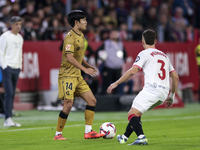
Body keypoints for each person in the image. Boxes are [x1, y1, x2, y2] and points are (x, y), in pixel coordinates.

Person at [107, 29, 179, 145]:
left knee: (132, 114)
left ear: (142, 41)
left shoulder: (144, 53)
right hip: (163, 93)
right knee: (137, 112)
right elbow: (175, 77)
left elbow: (132, 71)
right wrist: (172, 96)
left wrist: (116, 83)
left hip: (152, 89)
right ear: (155, 41)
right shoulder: (164, 56)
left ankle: (141, 137)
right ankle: (124, 137)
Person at [54, 10, 105, 140]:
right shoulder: (69, 37)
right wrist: (85, 69)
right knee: (68, 104)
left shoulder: (81, 35)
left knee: (92, 100)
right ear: (76, 22)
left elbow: (79, 55)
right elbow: (70, 57)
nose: (86, 22)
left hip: (77, 75)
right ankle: (58, 134)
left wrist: (87, 65)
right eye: (84, 20)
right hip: (67, 76)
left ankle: (88, 132)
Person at [0, 16, 23, 127]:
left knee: (12, 93)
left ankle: (9, 119)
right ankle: (7, 119)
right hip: (8, 67)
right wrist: (4, 66)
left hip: (16, 68)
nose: (18, 26)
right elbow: (0, 52)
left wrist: (20, 66)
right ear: (11, 25)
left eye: (20, 24)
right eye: (16, 24)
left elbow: (20, 54)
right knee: (8, 93)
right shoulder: (5, 36)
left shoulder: (20, 38)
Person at [95, 30, 127, 94]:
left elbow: (125, 54)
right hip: (108, 67)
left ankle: (115, 101)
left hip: (118, 68)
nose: (113, 35)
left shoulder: (120, 44)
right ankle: (104, 100)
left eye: (115, 34)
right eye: (112, 34)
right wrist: (97, 62)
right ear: (109, 35)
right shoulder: (106, 43)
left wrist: (121, 62)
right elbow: (97, 52)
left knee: (116, 85)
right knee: (106, 84)